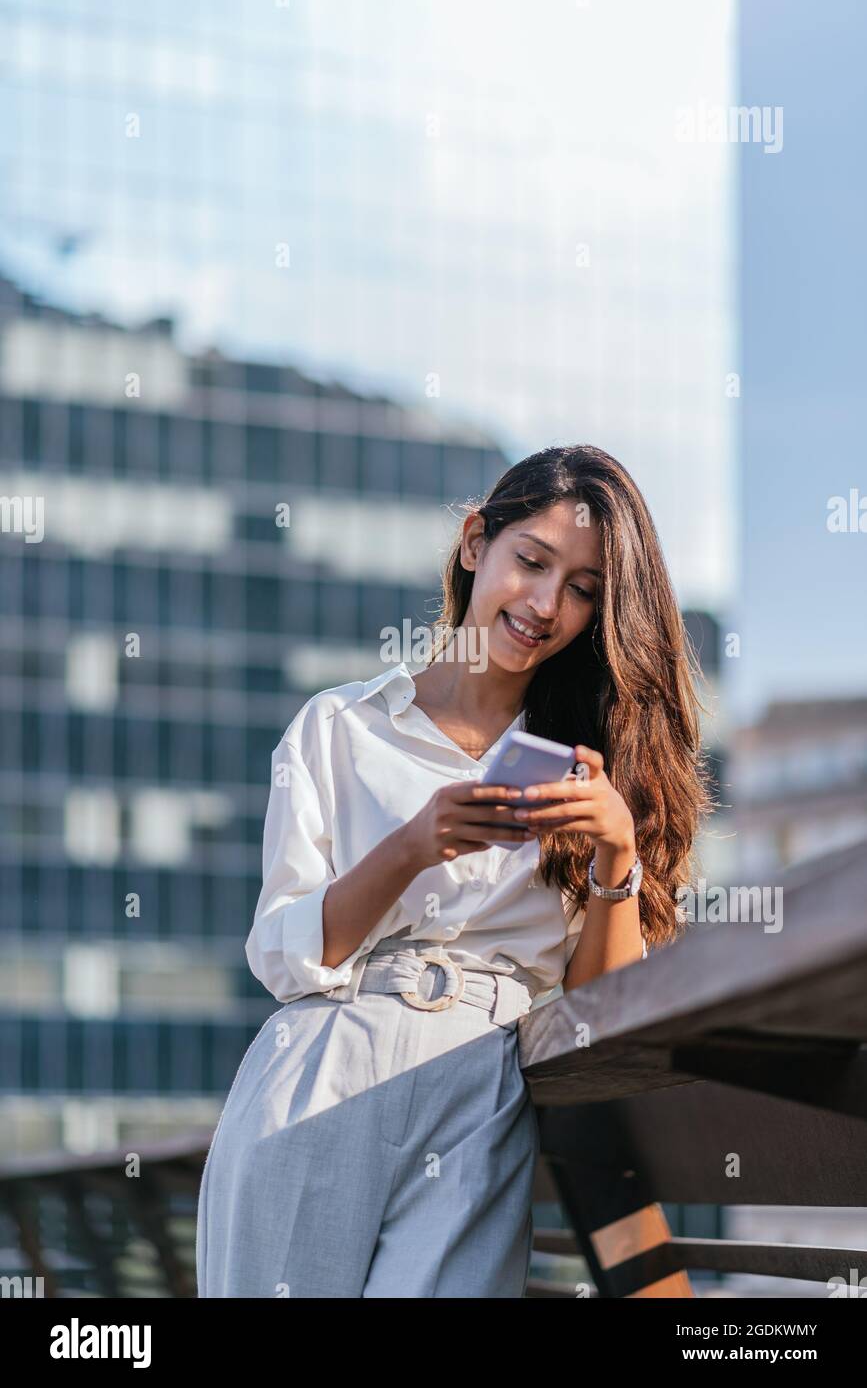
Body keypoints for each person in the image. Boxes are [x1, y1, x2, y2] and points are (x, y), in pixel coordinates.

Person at [196, 444, 712, 1298]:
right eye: (531, 562)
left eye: (583, 590)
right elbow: (286, 956)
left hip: (482, 1089)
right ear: (476, 542)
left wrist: (616, 855)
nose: (545, 604)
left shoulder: (586, 770)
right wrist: (411, 845)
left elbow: (597, 1017)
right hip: (321, 1070)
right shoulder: (340, 727)